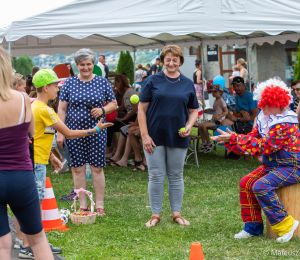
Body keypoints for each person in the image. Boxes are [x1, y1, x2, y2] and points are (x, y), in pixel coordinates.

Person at [211, 78, 300, 243]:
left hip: (292, 166)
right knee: (246, 183)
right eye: (261, 103)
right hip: (272, 165)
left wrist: (235, 137)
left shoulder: (285, 123)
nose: (262, 107)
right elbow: (253, 138)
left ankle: (286, 225)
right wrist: (230, 139)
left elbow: (264, 147)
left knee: (261, 186)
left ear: (278, 103)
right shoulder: (265, 117)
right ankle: (253, 228)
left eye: (266, 104)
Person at [0, 46, 54, 260]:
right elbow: (31, 132)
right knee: (38, 240)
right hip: (21, 177)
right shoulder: (23, 99)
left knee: (3, 243)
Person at [139, 45, 198, 227]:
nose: (171, 63)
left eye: (175, 59)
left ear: (180, 61)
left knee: (175, 175)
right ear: (162, 60)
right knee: (156, 175)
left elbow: (194, 110)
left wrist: (189, 126)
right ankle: (155, 215)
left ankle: (176, 214)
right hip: (154, 135)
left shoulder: (188, 83)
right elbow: (141, 109)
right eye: (168, 59)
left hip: (178, 135)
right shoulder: (152, 80)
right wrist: (145, 136)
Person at [57, 48, 117, 216]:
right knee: (77, 168)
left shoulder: (102, 82)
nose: (85, 67)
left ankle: (99, 205)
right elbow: (61, 108)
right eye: (82, 65)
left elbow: (113, 103)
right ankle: (82, 205)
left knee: (97, 168)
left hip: (97, 131)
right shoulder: (69, 83)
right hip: (73, 131)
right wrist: (60, 132)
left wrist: (102, 110)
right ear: (77, 65)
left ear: (93, 64)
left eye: (88, 64)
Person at [222, 76, 258, 160]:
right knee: (224, 123)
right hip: (242, 122)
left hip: (251, 124)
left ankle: (240, 154)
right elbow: (237, 112)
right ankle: (233, 150)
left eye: (238, 86)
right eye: (234, 86)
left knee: (240, 130)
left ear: (243, 85)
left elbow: (254, 116)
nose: (236, 88)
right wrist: (241, 112)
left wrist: (237, 119)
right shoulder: (237, 97)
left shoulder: (250, 96)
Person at [106, 74, 138, 161]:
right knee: (109, 124)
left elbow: (135, 109)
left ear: (120, 82)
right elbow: (123, 107)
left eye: (116, 82)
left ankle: (108, 150)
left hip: (133, 118)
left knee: (109, 126)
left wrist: (124, 119)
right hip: (129, 117)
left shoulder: (130, 92)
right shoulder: (125, 92)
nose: (115, 85)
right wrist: (113, 110)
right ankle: (113, 150)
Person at [198, 83, 228, 153]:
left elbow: (226, 111)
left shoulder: (221, 101)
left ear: (220, 92)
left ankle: (209, 144)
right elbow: (216, 110)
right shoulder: (215, 100)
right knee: (200, 125)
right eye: (212, 91)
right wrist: (209, 110)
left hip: (218, 122)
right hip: (213, 120)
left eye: (215, 91)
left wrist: (218, 117)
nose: (213, 93)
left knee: (204, 126)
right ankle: (204, 144)